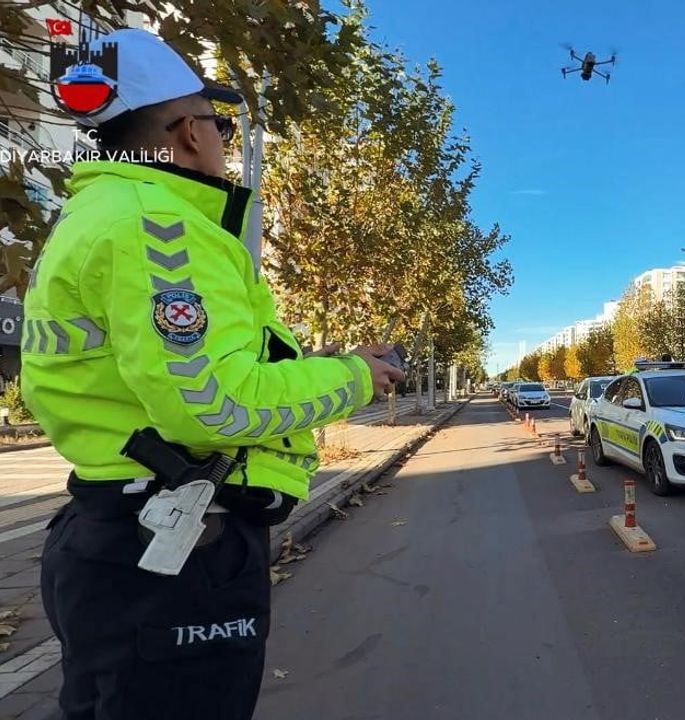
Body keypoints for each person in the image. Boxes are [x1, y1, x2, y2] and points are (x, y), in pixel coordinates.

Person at [20, 29, 405, 719]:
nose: (225, 140)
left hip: (116, 534)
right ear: (188, 132)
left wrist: (321, 367)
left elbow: (175, 373)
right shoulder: (159, 226)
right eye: (220, 123)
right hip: (170, 558)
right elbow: (215, 403)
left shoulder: (90, 216)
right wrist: (352, 379)